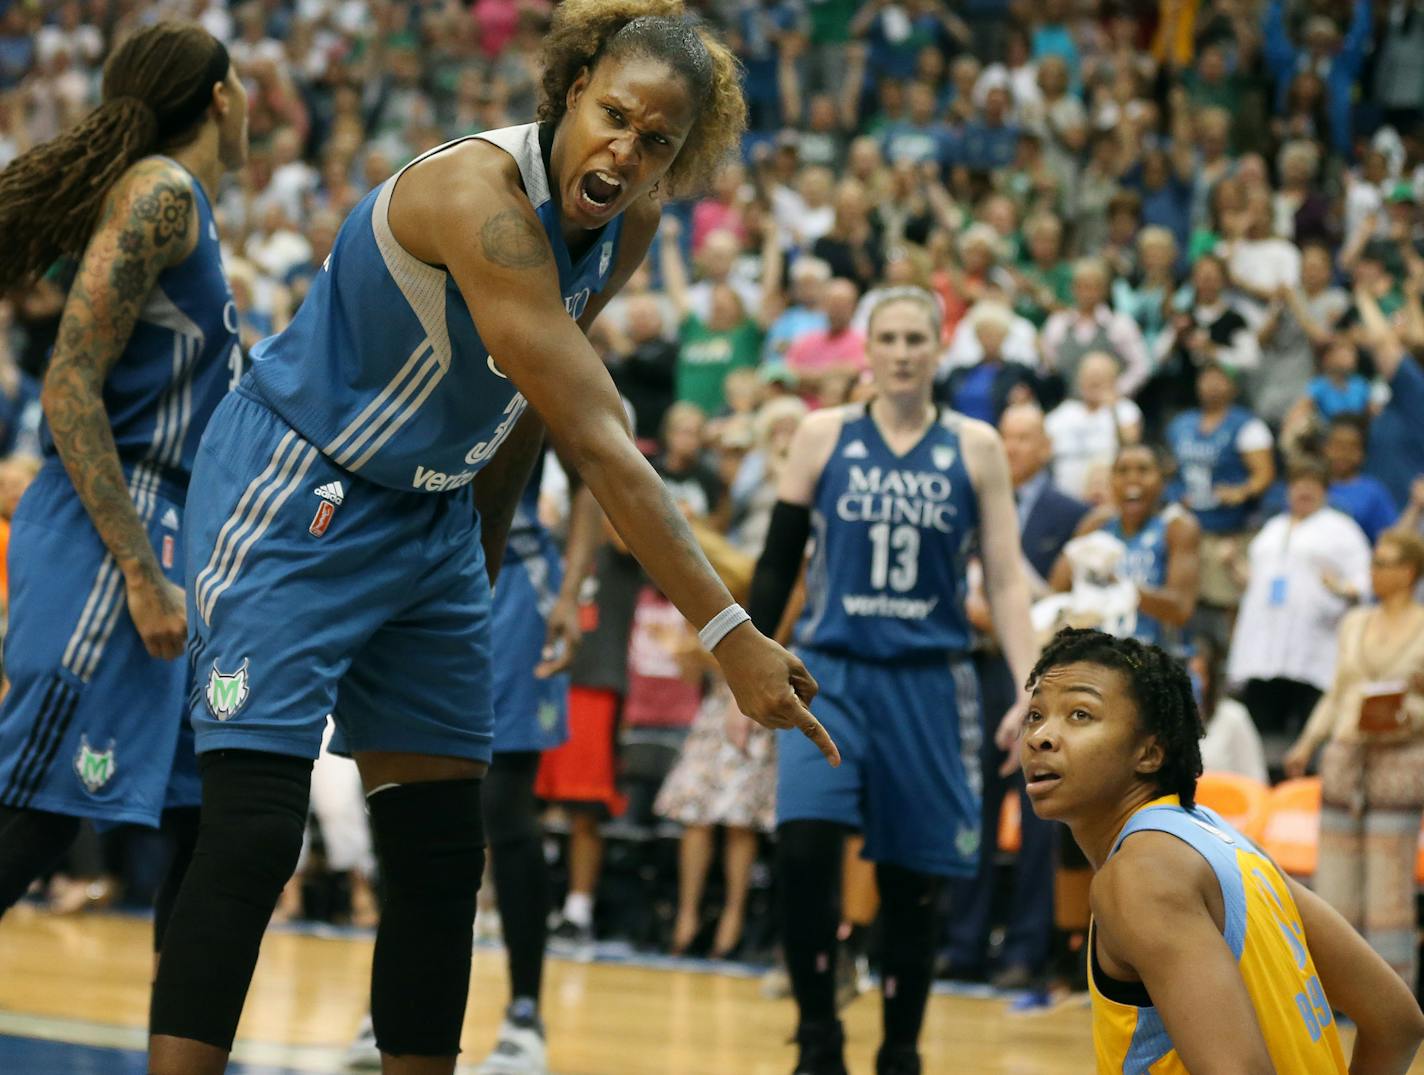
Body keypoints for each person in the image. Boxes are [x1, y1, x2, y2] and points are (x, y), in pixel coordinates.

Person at [146, 5, 839, 1074]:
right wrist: (729, 629)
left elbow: (521, 405)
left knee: (438, 852)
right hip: (301, 488)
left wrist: (478, 546)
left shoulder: (631, 220)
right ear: (568, 91)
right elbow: (601, 441)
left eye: (657, 139)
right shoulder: (476, 199)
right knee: (253, 834)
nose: (627, 149)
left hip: (432, 515)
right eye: (614, 115)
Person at [0, 21, 246, 963]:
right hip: (118, 528)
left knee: (200, 812)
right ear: (222, 98)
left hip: (170, 525)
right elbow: (69, 379)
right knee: (37, 806)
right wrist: (140, 570)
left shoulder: (182, 209)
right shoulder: (160, 190)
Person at [748, 287, 1037, 1075]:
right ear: (866, 351)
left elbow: (1007, 579)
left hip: (930, 682)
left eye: (918, 337)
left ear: (939, 349)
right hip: (832, 673)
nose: (904, 351)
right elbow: (777, 563)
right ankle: (817, 1037)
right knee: (806, 850)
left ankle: (901, 1049)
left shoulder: (975, 446)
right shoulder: (820, 435)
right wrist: (742, 655)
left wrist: (1028, 683)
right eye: (890, 338)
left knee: (914, 882)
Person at [1019, 627, 1424, 1074]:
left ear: (1149, 753)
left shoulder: (1141, 874)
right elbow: (1395, 1021)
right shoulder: (1225, 842)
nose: (1042, 737)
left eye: (1080, 715)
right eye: (1035, 715)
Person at [944, 402, 1087, 989]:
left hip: (1041, 675)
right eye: (1006, 436)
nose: (1014, 447)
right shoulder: (969, 498)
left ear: (1048, 448)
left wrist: (1002, 615)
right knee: (968, 810)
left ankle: (1026, 949)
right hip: (972, 673)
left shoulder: (1073, 514)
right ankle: (963, 944)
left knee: (1038, 819)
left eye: (1026, 438)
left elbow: (1073, 605)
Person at [1282, 529, 1424, 987]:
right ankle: (1337, 992)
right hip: (1346, 758)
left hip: (1400, 763)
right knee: (1335, 883)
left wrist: (1409, 709)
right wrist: (1306, 743)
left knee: (1388, 889)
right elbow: (1336, 693)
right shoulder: (1354, 622)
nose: (1374, 571)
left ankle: (1392, 997)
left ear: (1409, 571)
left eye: (1384, 562)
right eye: (1374, 562)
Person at [1228, 459, 1372, 744]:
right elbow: (1256, 581)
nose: (1304, 490)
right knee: (1261, 731)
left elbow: (1364, 579)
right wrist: (1233, 565)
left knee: (1306, 727)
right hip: (1264, 648)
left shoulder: (1342, 529)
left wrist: (1343, 588)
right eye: (1298, 483)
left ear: (1325, 490)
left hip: (1313, 647)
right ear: (1288, 489)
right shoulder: (1272, 528)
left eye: (1312, 484)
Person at [1050, 444, 1200, 658]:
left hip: (1158, 659)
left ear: (1162, 480)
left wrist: (1120, 586)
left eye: (1143, 470)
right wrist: (1080, 553)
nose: (1132, 479)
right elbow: (1057, 589)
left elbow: (1181, 609)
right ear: (1111, 480)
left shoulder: (1177, 526)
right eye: (1122, 471)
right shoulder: (1097, 525)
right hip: (1102, 658)